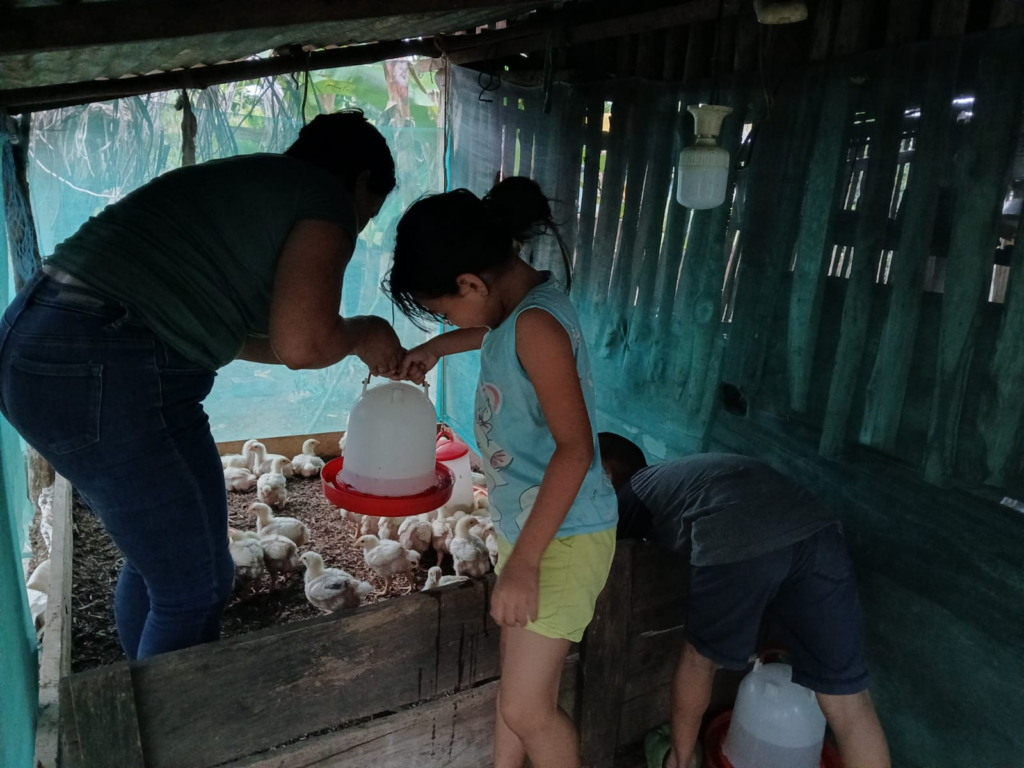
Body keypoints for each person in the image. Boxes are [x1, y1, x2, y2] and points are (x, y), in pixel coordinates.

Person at [0, 111, 405, 660]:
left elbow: (261, 341)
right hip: (100, 359)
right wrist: (363, 331)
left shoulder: (254, 187)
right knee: (190, 587)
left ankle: (145, 709)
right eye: (367, 214)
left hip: (62, 344)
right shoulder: (322, 198)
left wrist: (347, 339)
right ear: (358, 181)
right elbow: (303, 344)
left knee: (177, 569)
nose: (356, 231)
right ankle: (171, 739)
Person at [384, 178, 618, 768]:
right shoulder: (520, 308)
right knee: (517, 692)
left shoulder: (534, 327)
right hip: (537, 526)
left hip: (564, 537)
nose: (444, 320)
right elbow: (492, 332)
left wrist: (528, 564)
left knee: (528, 710)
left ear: (470, 283)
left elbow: (575, 451)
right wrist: (439, 348)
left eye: (443, 310)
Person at [598, 433, 891, 768]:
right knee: (850, 704)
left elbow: (602, 549)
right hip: (820, 534)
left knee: (699, 661)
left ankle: (680, 761)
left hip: (741, 534)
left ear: (606, 473)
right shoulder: (685, 475)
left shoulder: (633, 489)